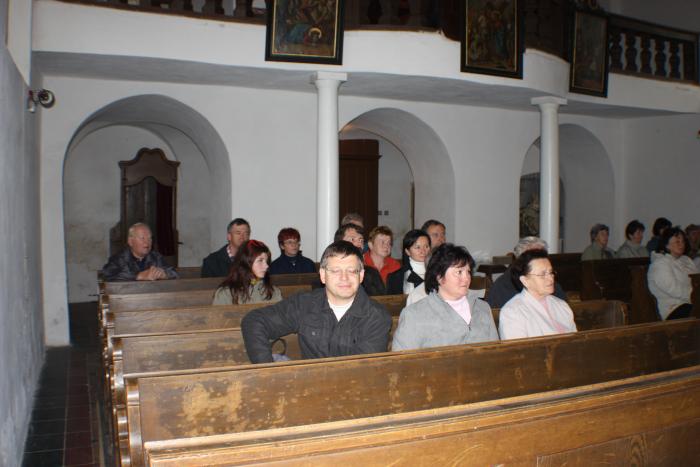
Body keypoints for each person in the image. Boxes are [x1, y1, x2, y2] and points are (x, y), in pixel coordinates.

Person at [242, 241, 392, 363]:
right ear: (323, 275)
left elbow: (363, 371)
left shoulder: (376, 316)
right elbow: (254, 321)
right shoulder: (305, 304)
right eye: (336, 271)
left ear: (361, 276)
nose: (344, 278)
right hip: (306, 386)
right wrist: (268, 370)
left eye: (352, 271)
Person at [391, 244, 499, 351]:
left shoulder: (482, 307)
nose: (466, 278)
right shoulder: (414, 315)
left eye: (468, 271)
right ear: (439, 276)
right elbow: (402, 359)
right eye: (459, 272)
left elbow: (497, 352)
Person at [498, 249, 577, 340]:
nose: (550, 278)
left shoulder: (561, 305)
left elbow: (577, 340)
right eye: (542, 274)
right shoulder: (513, 312)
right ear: (525, 280)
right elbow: (518, 348)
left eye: (551, 272)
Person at [486, 237, 566, 309]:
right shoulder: (503, 286)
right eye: (535, 257)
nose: (542, 261)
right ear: (520, 261)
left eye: (542, 256)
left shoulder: (550, 282)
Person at [647, 227, 699, 320]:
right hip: (673, 308)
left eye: (683, 241)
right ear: (667, 245)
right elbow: (673, 289)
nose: (681, 244)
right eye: (677, 242)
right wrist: (695, 296)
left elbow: (697, 280)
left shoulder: (686, 260)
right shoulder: (660, 264)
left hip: (692, 302)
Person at [212, 240, 282, 305]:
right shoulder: (226, 294)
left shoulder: (273, 292)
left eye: (266, 261)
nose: (266, 266)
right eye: (260, 260)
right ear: (246, 262)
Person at [102, 223, 178, 281]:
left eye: (150, 238)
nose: (147, 242)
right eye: (142, 238)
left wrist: (163, 274)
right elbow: (107, 274)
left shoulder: (156, 257)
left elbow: (174, 273)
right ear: (130, 241)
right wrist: (138, 276)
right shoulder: (119, 258)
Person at [334, 223, 385, 295]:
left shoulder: (371, 273)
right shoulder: (331, 272)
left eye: (361, 240)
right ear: (339, 244)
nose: (359, 244)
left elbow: (381, 299)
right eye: (352, 239)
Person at [387, 229, 431, 295]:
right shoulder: (395, 278)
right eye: (418, 247)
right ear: (407, 251)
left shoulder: (438, 273)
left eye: (426, 246)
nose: (423, 251)